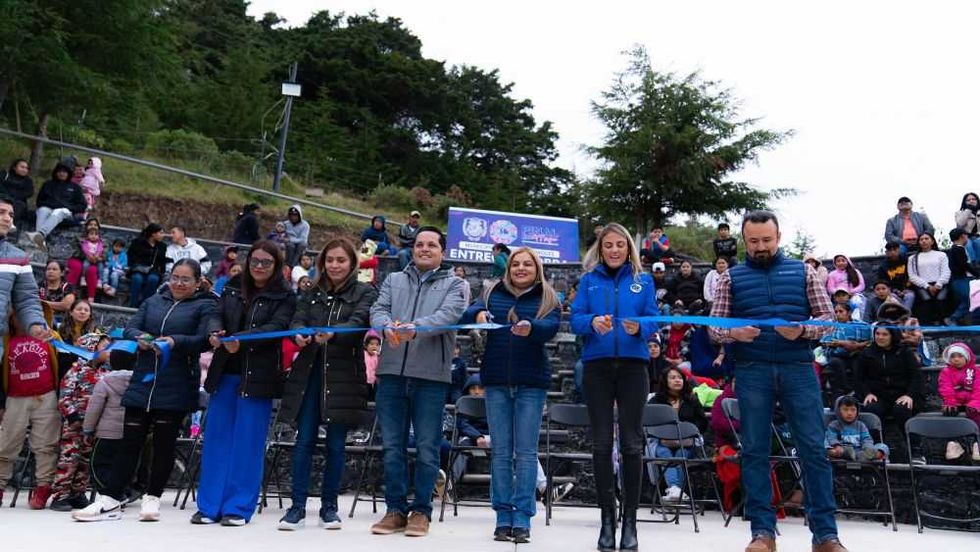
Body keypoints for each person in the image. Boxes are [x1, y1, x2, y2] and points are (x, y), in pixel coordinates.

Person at [708, 210, 845, 552]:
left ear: (778, 236)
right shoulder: (731, 278)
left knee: (814, 449)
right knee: (753, 450)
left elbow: (827, 319)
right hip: (751, 370)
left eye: (766, 240)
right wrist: (733, 333)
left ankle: (826, 536)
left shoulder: (804, 271)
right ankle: (762, 534)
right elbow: (713, 326)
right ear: (744, 240)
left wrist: (802, 330)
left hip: (798, 367)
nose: (760, 247)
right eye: (753, 241)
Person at [73, 259, 216, 522]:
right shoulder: (153, 301)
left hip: (176, 381)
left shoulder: (204, 305)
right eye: (175, 277)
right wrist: (142, 338)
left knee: (163, 445)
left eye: (186, 279)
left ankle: (152, 497)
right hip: (143, 380)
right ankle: (110, 498)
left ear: (197, 283)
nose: (179, 283)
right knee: (129, 442)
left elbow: (204, 340)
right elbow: (131, 327)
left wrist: (176, 341)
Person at [368, 226, 467, 537]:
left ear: (443, 251)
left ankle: (421, 510)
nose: (424, 249)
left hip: (431, 377)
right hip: (392, 373)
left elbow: (448, 316)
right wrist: (385, 327)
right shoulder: (394, 280)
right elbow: (378, 309)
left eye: (431, 245)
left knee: (427, 447)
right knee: (393, 446)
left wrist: (415, 327)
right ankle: (395, 509)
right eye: (420, 244)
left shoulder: (457, 284)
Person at [461, 246, 561, 543]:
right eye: (515, 263)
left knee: (526, 453)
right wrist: (478, 313)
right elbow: (468, 312)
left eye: (526, 264)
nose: (520, 268)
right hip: (496, 382)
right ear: (508, 267)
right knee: (501, 452)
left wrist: (532, 327)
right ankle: (503, 516)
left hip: (531, 383)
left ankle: (522, 516)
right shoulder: (492, 292)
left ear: (536, 268)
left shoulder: (548, 296)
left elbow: (551, 326)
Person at [276, 238, 376, 530]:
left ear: (352, 263)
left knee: (335, 445)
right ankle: (296, 508)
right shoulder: (311, 291)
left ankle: (329, 508)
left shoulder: (364, 292)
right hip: (309, 374)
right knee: (303, 441)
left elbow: (358, 323)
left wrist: (332, 334)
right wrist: (299, 334)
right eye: (330, 260)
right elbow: (297, 319)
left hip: (343, 377)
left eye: (341, 260)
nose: (334, 265)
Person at [194, 240, 296, 526]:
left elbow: (277, 328)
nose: (259, 267)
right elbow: (215, 313)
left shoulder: (285, 295)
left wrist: (244, 341)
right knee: (216, 439)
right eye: (255, 261)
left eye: (266, 262)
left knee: (248, 443)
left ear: (277, 266)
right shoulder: (232, 285)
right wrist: (215, 332)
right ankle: (208, 506)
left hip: (258, 376)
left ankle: (238, 507)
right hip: (225, 370)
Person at [571, 222, 659, 552]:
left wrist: (641, 328)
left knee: (632, 444)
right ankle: (607, 520)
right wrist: (592, 323)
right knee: (601, 445)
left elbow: (654, 319)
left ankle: (631, 523)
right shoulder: (589, 281)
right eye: (608, 244)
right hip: (597, 367)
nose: (614, 250)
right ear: (600, 247)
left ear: (628, 248)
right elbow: (576, 318)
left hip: (634, 368)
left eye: (620, 244)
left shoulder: (643, 280)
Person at [0, 313, 59, 508]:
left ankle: (43, 488)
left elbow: (64, 361)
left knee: (46, 446)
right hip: (15, 398)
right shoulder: (6, 339)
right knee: (6, 444)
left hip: (46, 397)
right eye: (18, 316)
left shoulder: (51, 337)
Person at [49, 333, 111, 511]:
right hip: (75, 424)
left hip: (94, 424)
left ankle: (78, 493)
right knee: (69, 458)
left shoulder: (106, 372)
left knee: (86, 459)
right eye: (104, 347)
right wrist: (72, 416)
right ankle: (60, 495)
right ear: (90, 348)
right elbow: (64, 396)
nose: (108, 351)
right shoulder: (75, 370)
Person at [646, 366, 709, 502]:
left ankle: (674, 490)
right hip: (662, 442)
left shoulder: (691, 399)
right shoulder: (656, 401)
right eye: (673, 378)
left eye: (680, 378)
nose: (677, 380)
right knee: (664, 453)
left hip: (686, 443)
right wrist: (663, 436)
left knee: (681, 455)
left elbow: (702, 422)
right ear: (665, 381)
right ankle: (678, 491)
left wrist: (688, 434)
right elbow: (648, 423)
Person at [854, 326, 922, 437]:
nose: (880, 337)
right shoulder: (866, 353)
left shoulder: (905, 352)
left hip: (902, 394)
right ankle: (877, 446)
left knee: (902, 409)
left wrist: (909, 395)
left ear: (892, 336)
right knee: (872, 408)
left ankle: (914, 448)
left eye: (885, 334)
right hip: (878, 395)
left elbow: (916, 376)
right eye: (877, 334)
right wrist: (867, 393)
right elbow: (859, 378)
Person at [82, 355, 134, 500]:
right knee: (123, 464)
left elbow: (94, 408)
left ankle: (109, 494)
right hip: (131, 432)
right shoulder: (140, 381)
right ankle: (121, 491)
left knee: (98, 464)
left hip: (107, 433)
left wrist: (88, 429)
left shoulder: (105, 382)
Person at [25, 162, 87, 251]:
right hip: (48, 209)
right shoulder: (47, 184)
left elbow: (82, 205)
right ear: (56, 172)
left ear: (69, 173)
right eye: (60, 171)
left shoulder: (75, 187)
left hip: (66, 212)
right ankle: (40, 243)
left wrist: (69, 207)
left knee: (59, 211)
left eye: (64, 172)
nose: (62, 173)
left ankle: (40, 234)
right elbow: (39, 202)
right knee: (42, 210)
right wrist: (50, 205)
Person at [819, 303, 870, 402]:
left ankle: (859, 394)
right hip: (838, 355)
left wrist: (857, 346)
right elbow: (825, 342)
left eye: (841, 311)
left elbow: (870, 341)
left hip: (856, 354)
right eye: (836, 312)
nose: (838, 314)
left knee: (859, 362)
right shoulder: (831, 326)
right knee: (835, 363)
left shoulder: (861, 325)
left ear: (849, 313)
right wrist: (842, 343)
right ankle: (844, 391)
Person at [937, 342, 980, 461]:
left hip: (973, 402)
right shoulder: (946, 372)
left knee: (976, 413)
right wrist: (950, 401)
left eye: (960, 356)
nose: (956, 359)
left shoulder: (975, 371)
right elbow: (945, 388)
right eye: (953, 356)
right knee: (948, 412)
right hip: (955, 402)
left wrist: (975, 403)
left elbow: (978, 389)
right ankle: (954, 442)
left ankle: (977, 443)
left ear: (967, 357)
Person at [825, 395, 889, 461]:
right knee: (828, 448)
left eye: (853, 410)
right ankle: (850, 455)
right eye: (845, 410)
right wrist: (836, 446)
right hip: (842, 450)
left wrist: (868, 448)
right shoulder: (834, 425)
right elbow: (831, 437)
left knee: (883, 447)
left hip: (860, 451)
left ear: (857, 411)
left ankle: (865, 456)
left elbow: (866, 439)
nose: (849, 413)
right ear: (838, 411)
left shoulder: (861, 425)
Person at [907, 232, 950, 325]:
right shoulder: (912, 258)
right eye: (921, 239)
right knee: (926, 301)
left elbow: (946, 271)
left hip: (940, 284)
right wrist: (927, 286)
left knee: (941, 300)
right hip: (922, 285)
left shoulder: (941, 255)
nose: (924, 241)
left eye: (926, 239)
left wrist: (938, 284)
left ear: (932, 241)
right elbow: (912, 275)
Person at [127, 223, 169, 308]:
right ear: (153, 234)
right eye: (160, 233)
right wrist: (133, 265)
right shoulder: (138, 242)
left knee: (153, 279)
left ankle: (145, 305)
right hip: (138, 268)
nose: (162, 235)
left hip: (153, 270)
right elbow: (130, 255)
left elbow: (162, 261)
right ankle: (133, 304)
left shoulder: (162, 246)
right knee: (137, 279)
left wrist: (161, 270)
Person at [946, 228, 979, 325]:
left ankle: (954, 318)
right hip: (961, 280)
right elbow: (964, 265)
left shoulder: (956, 249)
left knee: (968, 301)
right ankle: (953, 318)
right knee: (971, 300)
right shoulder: (958, 249)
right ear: (963, 236)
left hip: (962, 279)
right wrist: (977, 273)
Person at [66, 226, 106, 302]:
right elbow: (84, 249)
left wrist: (98, 256)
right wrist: (89, 255)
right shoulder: (84, 242)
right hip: (86, 258)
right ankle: (70, 290)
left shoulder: (100, 243)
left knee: (98, 268)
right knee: (85, 265)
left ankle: (98, 284)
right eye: (91, 234)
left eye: (96, 234)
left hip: (97, 259)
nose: (94, 236)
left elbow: (101, 249)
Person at [875, 241, 915, 311]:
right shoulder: (883, 266)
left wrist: (906, 289)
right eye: (890, 250)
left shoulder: (907, 261)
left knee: (910, 296)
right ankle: (904, 316)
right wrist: (895, 291)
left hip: (907, 289)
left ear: (899, 250)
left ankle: (905, 316)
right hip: (892, 291)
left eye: (895, 250)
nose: (893, 252)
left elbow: (912, 276)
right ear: (886, 252)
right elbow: (882, 282)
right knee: (892, 297)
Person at [825, 254, 866, 319]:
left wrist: (851, 292)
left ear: (847, 261)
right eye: (838, 261)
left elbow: (861, 285)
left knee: (857, 302)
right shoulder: (832, 274)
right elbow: (830, 288)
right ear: (835, 263)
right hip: (839, 296)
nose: (841, 263)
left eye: (843, 260)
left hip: (853, 295)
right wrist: (840, 293)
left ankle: (857, 321)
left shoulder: (855, 272)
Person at [0, 158, 34, 231]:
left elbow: (29, 192)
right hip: (2, 198)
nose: (24, 170)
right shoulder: (5, 174)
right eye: (22, 167)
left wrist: (13, 197)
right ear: (14, 167)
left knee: (19, 205)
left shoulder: (28, 181)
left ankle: (10, 224)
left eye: (26, 168)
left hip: (17, 202)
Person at [954, 192, 980, 261]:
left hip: (978, 236)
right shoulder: (959, 213)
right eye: (968, 200)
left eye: (973, 199)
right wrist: (968, 210)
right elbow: (960, 224)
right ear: (964, 202)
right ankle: (972, 266)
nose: (971, 201)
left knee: (978, 242)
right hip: (965, 237)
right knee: (968, 245)